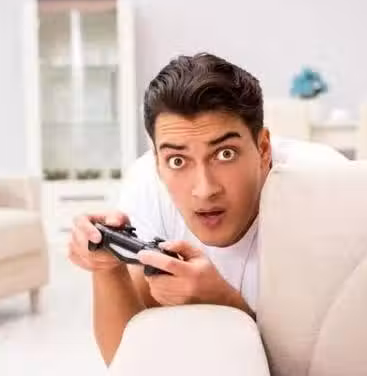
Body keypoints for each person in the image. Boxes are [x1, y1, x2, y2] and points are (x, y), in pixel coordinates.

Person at [67, 53, 346, 365]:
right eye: (177, 161)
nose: (205, 189)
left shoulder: (323, 186)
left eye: (225, 154)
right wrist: (107, 270)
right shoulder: (147, 182)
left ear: (263, 148)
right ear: (158, 162)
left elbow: (334, 361)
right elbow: (127, 361)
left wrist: (224, 304)